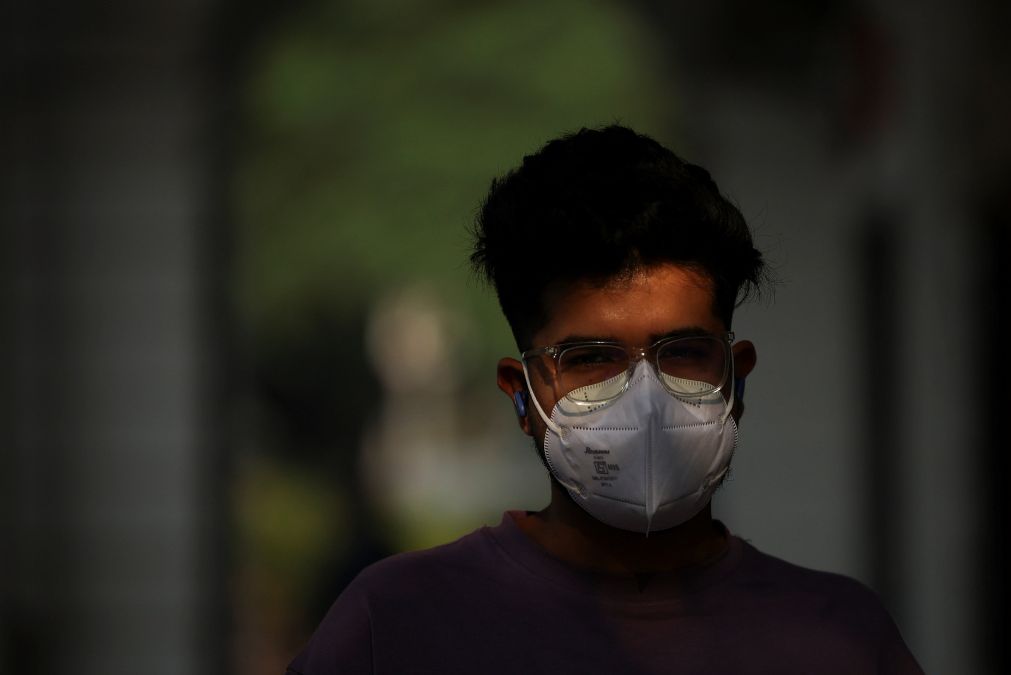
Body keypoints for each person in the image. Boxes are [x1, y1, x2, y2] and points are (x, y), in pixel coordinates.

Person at [287, 125, 923, 674]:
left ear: (737, 379)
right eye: (590, 359)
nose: (645, 397)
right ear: (522, 394)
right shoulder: (396, 627)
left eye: (680, 351)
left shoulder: (839, 639)